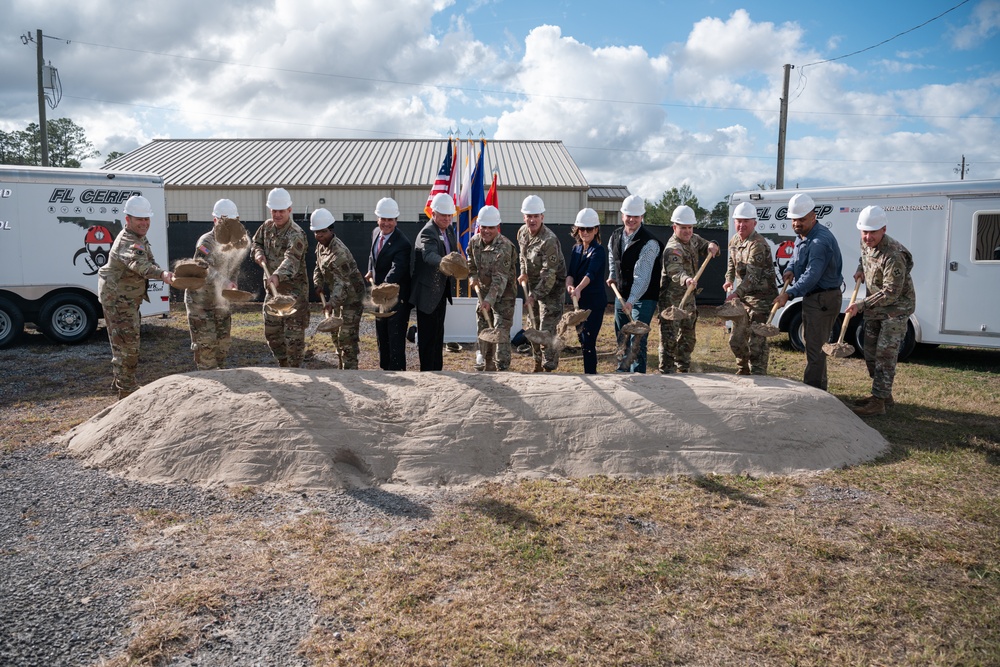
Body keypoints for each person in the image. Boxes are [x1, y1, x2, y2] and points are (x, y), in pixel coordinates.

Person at [97, 195, 175, 399]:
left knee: (124, 342)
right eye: (139, 219)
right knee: (128, 346)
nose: (144, 223)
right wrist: (163, 275)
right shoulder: (128, 241)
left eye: (146, 219)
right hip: (119, 302)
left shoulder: (139, 237)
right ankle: (126, 390)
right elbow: (139, 265)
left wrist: (161, 271)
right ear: (127, 219)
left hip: (126, 300)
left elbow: (148, 260)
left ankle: (122, 383)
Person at [845, 205, 916, 416]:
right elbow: (864, 257)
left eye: (872, 232)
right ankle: (884, 394)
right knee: (870, 352)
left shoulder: (894, 254)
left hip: (895, 309)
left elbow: (891, 292)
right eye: (864, 232)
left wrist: (861, 305)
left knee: (885, 354)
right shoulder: (865, 242)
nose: (867, 237)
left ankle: (878, 402)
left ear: (883, 229)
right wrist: (860, 270)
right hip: (876, 306)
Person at [773, 193, 844, 390]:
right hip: (815, 297)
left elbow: (812, 275)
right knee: (813, 344)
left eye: (801, 219)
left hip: (823, 298)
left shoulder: (819, 241)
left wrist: (789, 294)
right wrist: (790, 269)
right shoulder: (804, 235)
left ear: (813, 216)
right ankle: (819, 388)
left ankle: (814, 391)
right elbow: (797, 257)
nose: (797, 223)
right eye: (794, 219)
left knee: (815, 348)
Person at [185, 198, 247, 370]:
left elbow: (233, 267)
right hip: (201, 304)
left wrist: (233, 281)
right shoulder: (206, 242)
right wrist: (224, 281)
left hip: (220, 302)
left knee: (222, 347)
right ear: (215, 221)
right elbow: (203, 267)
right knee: (206, 350)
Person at [250, 187, 310, 368]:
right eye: (274, 211)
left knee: (293, 337)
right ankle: (284, 364)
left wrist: (277, 275)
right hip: (273, 292)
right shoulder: (266, 227)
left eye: (281, 211)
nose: (277, 215)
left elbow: (292, 259)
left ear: (289, 210)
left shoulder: (296, 234)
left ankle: (295, 368)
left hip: (293, 294)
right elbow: (256, 242)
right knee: (272, 332)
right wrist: (258, 253)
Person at [659, 205, 720, 373]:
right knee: (669, 339)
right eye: (683, 227)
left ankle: (683, 369)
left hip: (689, 299)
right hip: (672, 301)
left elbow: (707, 245)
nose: (687, 231)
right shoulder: (673, 248)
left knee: (688, 337)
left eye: (690, 227)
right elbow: (675, 271)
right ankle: (666, 373)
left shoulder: (693, 239)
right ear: (674, 228)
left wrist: (712, 245)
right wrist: (686, 279)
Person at [607, 194, 662, 373]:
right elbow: (612, 257)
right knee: (622, 335)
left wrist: (630, 301)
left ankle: (638, 376)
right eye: (628, 215)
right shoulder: (615, 236)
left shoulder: (649, 243)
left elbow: (642, 277)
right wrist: (612, 275)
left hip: (644, 297)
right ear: (622, 215)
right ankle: (622, 372)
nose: (631, 219)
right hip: (621, 293)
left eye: (635, 216)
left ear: (642, 217)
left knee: (637, 338)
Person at [723, 202, 778, 375]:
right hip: (743, 299)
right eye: (738, 221)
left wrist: (735, 294)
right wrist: (728, 279)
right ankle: (743, 369)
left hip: (762, 299)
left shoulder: (758, 244)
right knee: (736, 338)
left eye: (746, 221)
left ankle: (759, 375)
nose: (742, 225)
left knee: (757, 342)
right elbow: (731, 264)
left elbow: (752, 277)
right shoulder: (734, 240)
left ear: (754, 223)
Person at [516, 195, 567, 372]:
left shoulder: (549, 240)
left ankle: (549, 365)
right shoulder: (522, 232)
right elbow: (523, 257)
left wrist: (533, 296)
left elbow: (549, 275)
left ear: (542, 217)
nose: (532, 220)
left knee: (546, 328)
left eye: (536, 216)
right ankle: (537, 363)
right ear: (524, 217)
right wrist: (523, 272)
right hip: (534, 286)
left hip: (552, 288)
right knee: (533, 326)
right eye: (529, 216)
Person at [410, 192, 459, 371]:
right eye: (443, 215)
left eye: (449, 215)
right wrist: (445, 263)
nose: (447, 218)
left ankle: (437, 370)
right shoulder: (428, 232)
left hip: (441, 291)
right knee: (427, 337)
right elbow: (428, 255)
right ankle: (427, 372)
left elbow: (452, 251)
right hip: (427, 293)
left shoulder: (449, 229)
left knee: (438, 334)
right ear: (433, 213)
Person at [311, 209, 365, 369]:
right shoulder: (321, 246)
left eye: (323, 231)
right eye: (316, 232)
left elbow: (343, 284)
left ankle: (351, 370)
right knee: (335, 333)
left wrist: (331, 303)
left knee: (347, 336)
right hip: (338, 296)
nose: (319, 235)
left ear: (331, 230)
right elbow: (318, 267)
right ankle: (341, 365)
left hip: (352, 299)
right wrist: (317, 283)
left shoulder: (339, 253)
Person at [468, 205, 518, 371]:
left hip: (504, 295)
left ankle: (502, 366)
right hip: (483, 293)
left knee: (500, 331)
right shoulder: (474, 242)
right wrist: (473, 277)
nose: (487, 231)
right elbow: (471, 264)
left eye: (491, 228)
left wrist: (489, 300)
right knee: (483, 327)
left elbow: (500, 279)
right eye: (484, 227)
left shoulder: (505, 247)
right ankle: (485, 362)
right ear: (479, 227)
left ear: (497, 227)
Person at [365, 197, 412, 371]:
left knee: (395, 337)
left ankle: (398, 370)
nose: (386, 223)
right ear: (378, 219)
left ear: (396, 221)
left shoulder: (403, 243)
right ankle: (385, 370)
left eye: (390, 220)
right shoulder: (375, 233)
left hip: (396, 297)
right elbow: (373, 256)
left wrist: (382, 287)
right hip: (380, 296)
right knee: (381, 335)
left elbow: (397, 269)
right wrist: (370, 270)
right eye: (383, 219)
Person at [565, 208, 608, 375]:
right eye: (582, 229)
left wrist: (578, 288)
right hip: (579, 302)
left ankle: (591, 374)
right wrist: (570, 285)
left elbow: (591, 273)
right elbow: (571, 273)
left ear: (596, 229)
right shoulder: (576, 249)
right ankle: (588, 372)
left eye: (589, 229)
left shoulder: (598, 251)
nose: (585, 232)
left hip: (594, 303)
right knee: (582, 340)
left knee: (589, 340)